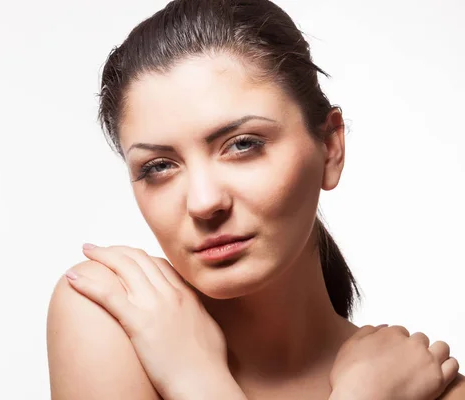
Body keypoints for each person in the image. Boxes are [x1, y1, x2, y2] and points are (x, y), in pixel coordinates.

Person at [47, 0, 463, 398]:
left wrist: (198, 382)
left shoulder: (434, 389)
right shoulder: (112, 313)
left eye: (242, 144)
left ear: (330, 147)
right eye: (158, 166)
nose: (204, 202)